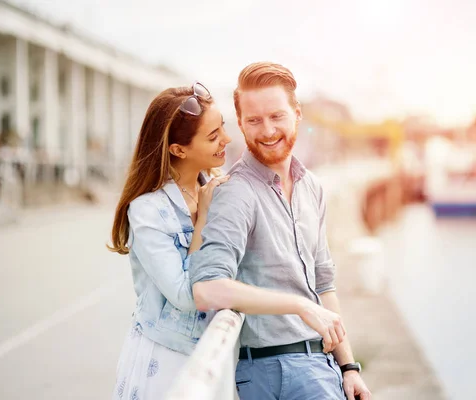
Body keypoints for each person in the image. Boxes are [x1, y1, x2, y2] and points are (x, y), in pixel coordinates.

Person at [190, 62, 372, 399]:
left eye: (277, 116)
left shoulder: (312, 187)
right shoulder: (236, 193)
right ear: (240, 123)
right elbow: (207, 288)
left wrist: (348, 367)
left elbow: (323, 283)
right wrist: (299, 306)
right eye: (254, 120)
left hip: (321, 365)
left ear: (297, 113)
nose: (268, 130)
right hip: (271, 372)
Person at [107, 83, 232, 400]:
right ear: (179, 150)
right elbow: (185, 295)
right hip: (164, 362)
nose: (226, 140)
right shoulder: (148, 211)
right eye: (213, 135)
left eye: (223, 129)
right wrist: (204, 219)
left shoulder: (218, 190)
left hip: (213, 353)